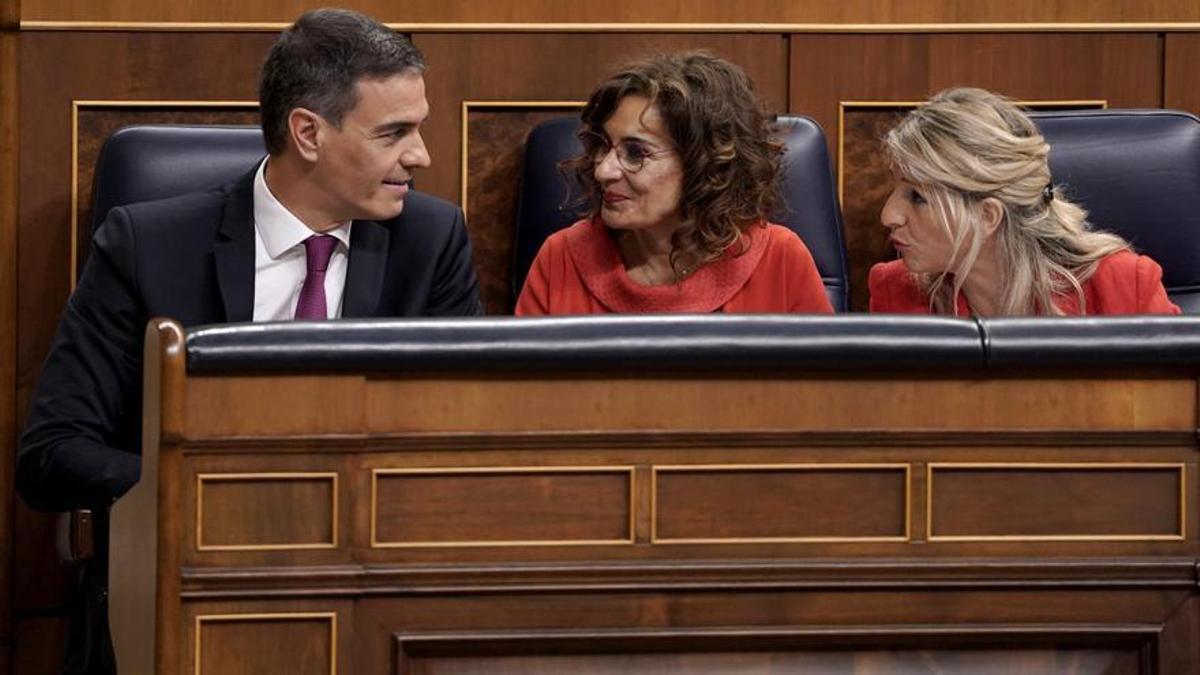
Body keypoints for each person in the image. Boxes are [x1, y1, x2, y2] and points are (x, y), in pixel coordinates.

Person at [17, 9, 482, 673]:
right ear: (308, 133)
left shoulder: (431, 242)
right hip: (186, 578)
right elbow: (52, 453)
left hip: (370, 582)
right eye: (394, 133)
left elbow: (458, 440)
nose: (421, 155)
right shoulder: (147, 245)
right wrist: (226, 495)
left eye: (419, 129)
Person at [514, 51, 832, 315]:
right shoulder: (561, 256)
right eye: (602, 146)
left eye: (636, 152)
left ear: (705, 163)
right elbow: (523, 390)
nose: (604, 171)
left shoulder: (781, 258)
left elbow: (822, 390)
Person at [869, 87, 1180, 316]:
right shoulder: (894, 290)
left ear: (988, 216)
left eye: (918, 197)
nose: (889, 215)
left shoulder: (1125, 288)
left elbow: (1175, 402)